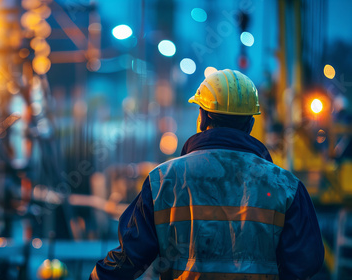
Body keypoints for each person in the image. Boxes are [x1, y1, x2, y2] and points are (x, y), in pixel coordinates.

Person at [90, 69, 324, 280]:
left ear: (203, 117)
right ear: (250, 124)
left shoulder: (162, 180)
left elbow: (128, 259)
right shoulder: (286, 186)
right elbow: (306, 262)